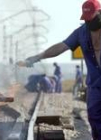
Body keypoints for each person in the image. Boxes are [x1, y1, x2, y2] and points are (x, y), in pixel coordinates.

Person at [17, 0, 101, 139]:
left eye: (92, 18)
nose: (89, 22)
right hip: (95, 86)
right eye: (86, 19)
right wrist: (37, 57)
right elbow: (61, 47)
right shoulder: (81, 33)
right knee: (95, 121)